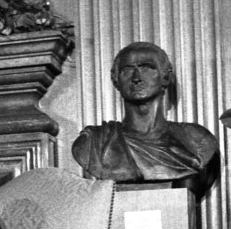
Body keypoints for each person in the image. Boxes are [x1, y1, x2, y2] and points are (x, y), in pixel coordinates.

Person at [71, 41, 217, 190]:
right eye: (127, 70)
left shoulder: (197, 140)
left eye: (146, 68)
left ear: (165, 77)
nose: (136, 77)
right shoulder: (94, 142)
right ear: (116, 81)